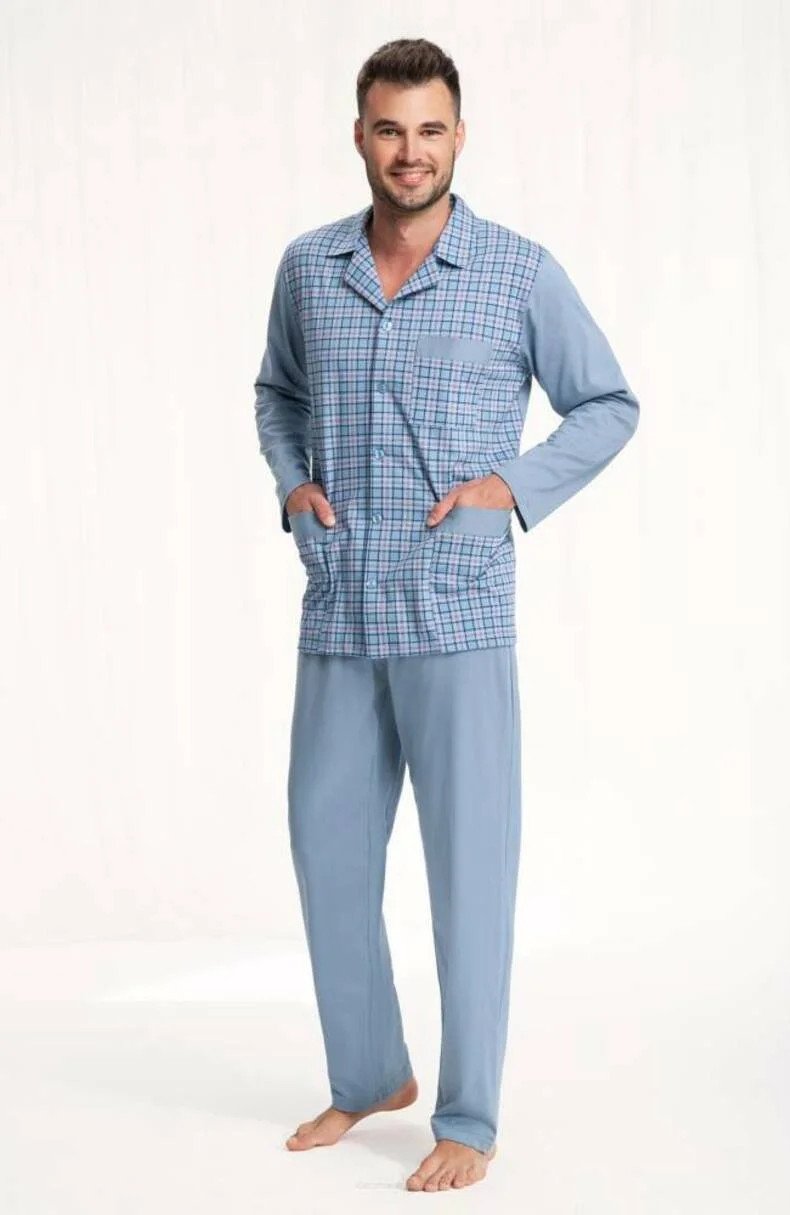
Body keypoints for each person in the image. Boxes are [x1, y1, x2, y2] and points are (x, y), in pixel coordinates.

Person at [253, 37, 639, 1193]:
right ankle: (369, 1074)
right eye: (389, 128)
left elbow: (606, 403)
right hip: (341, 606)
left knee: (468, 874)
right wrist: (293, 486)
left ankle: (467, 1116)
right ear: (359, 136)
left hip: (456, 615)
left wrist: (506, 491)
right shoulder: (307, 267)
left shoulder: (515, 272)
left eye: (429, 129)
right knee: (325, 849)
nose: (409, 151)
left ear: (458, 137)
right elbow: (276, 393)